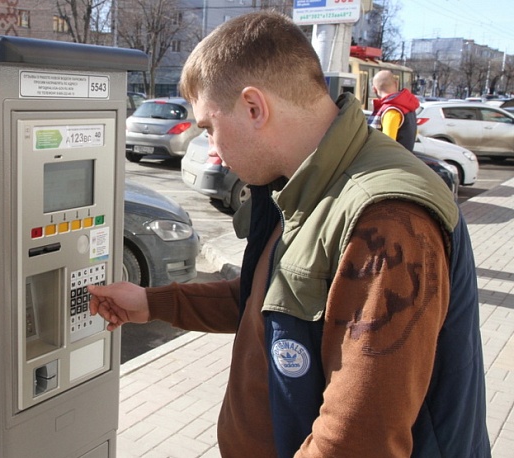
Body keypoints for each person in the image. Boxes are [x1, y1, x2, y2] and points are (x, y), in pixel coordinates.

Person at [88, 11, 490, 458]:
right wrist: (151, 303)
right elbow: (269, 302)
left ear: (254, 107)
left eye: (209, 128)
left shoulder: (385, 219)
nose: (213, 150)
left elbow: (356, 441)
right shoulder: (306, 183)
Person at [368, 69, 420, 151]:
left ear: (374, 89)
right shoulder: (408, 108)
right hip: (404, 156)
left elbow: (387, 145)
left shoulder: (391, 111)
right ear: (396, 83)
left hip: (389, 158)